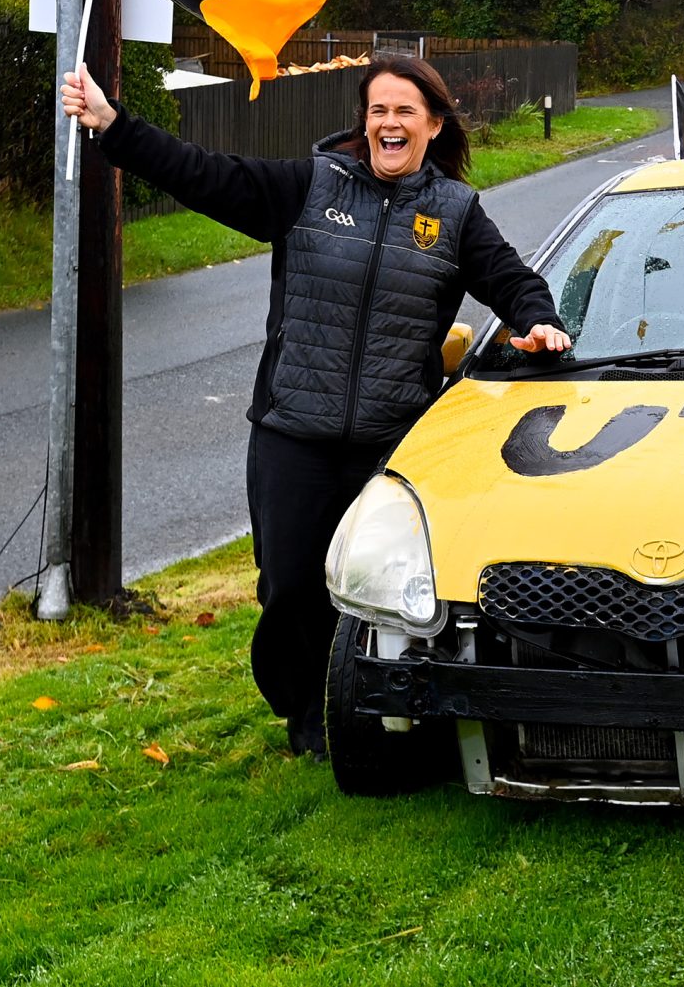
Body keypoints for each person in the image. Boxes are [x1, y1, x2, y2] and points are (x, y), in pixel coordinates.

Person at [61, 56, 571, 758]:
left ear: (433, 125)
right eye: (378, 110)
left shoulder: (455, 213)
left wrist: (538, 321)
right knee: (290, 586)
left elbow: (514, 281)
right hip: (292, 434)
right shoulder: (310, 185)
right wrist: (112, 124)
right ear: (365, 121)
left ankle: (372, 711)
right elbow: (201, 173)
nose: (390, 123)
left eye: (405, 111)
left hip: (389, 444)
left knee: (377, 586)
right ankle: (305, 712)